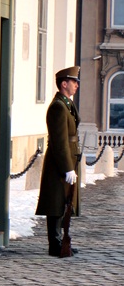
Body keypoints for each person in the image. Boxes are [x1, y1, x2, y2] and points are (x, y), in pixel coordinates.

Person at [35, 66, 81, 257]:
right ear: (64, 84)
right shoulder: (58, 107)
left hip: (67, 159)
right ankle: (55, 244)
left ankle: (60, 241)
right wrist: (67, 168)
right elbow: (60, 141)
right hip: (59, 163)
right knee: (56, 203)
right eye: (74, 82)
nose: (77, 85)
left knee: (63, 202)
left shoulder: (66, 104)